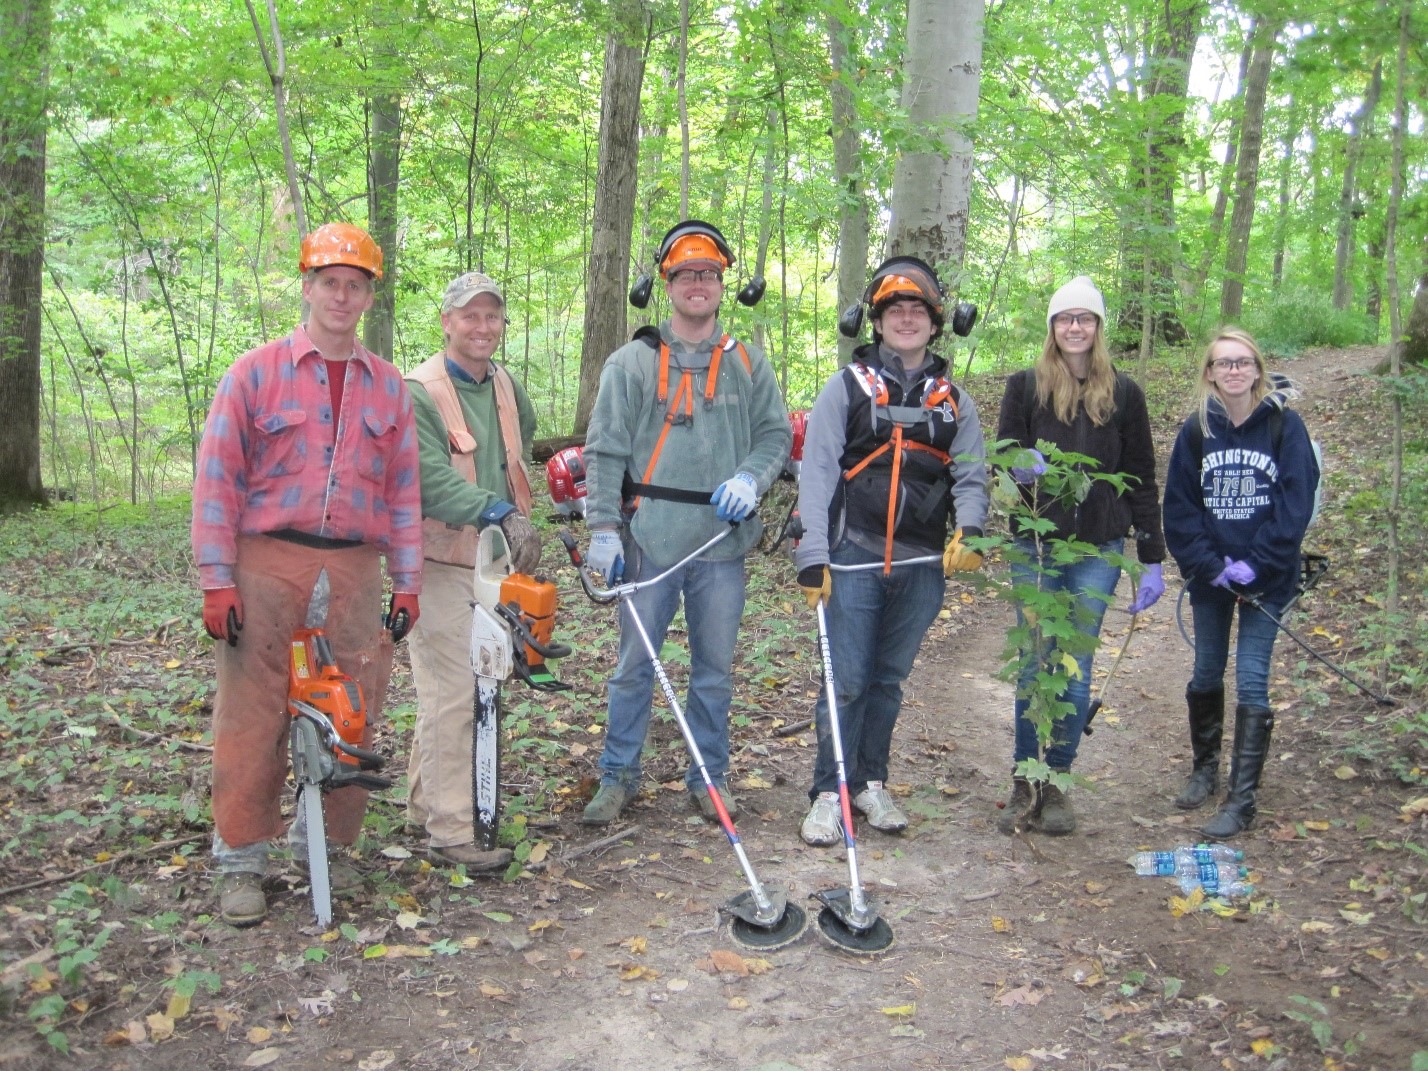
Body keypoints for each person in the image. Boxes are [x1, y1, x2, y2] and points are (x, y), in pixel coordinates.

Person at [191, 222, 423, 927]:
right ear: (308, 286)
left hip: (355, 565)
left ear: (368, 297)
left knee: (352, 705)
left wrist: (406, 581)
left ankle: (330, 846)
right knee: (254, 712)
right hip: (265, 561)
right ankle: (241, 858)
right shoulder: (254, 372)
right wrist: (215, 578)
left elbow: (404, 493)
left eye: (355, 286)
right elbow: (217, 479)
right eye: (330, 283)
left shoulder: (389, 388)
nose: (342, 296)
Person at [580, 219, 792, 825]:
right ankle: (618, 774)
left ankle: (709, 775)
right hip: (648, 539)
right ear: (665, 283)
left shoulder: (749, 362)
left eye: (708, 274)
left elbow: (775, 435)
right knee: (632, 668)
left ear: (724, 285)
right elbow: (604, 450)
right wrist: (601, 529)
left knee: (714, 671)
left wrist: (751, 478)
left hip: (721, 546)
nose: (697, 284)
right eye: (685, 274)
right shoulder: (631, 363)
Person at [794, 256, 989, 846]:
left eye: (918, 311)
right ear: (876, 323)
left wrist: (972, 530)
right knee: (847, 680)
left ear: (936, 323)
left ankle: (870, 781)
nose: (906, 320)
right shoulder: (847, 388)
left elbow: (973, 476)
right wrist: (813, 552)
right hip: (851, 557)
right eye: (894, 311)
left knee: (888, 680)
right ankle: (829, 791)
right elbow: (819, 469)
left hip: (923, 564)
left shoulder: (955, 401)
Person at [995, 275, 1165, 836]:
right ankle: (1025, 777)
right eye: (1065, 318)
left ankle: (1057, 784)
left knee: (1073, 667)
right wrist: (1020, 468)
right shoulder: (1025, 387)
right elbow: (1005, 454)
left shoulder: (1125, 393)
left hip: (1099, 548)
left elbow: (1141, 476)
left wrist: (1152, 556)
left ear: (1098, 327)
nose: (1075, 327)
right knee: (1034, 661)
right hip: (1036, 544)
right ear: (1052, 327)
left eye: (1085, 318)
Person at [404, 271, 540, 871]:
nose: (481, 327)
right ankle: (452, 834)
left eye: (492, 316)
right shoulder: (418, 391)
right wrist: (495, 509)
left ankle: (424, 806)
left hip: (494, 561)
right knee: (454, 692)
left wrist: (516, 514)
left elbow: (521, 447)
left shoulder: (507, 385)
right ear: (447, 322)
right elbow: (425, 478)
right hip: (436, 563)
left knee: (463, 687)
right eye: (469, 316)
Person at [1163, 328, 1318, 838]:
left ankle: (1241, 799)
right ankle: (1204, 770)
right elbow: (1180, 509)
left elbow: (1295, 505)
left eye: (1243, 362)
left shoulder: (1284, 428)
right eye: (1223, 363)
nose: (1234, 371)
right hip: (1212, 579)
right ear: (1209, 372)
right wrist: (1210, 566)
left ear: (1258, 368)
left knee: (1252, 676)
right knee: (1207, 670)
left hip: (1267, 580)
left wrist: (1259, 562)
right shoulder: (1196, 432)